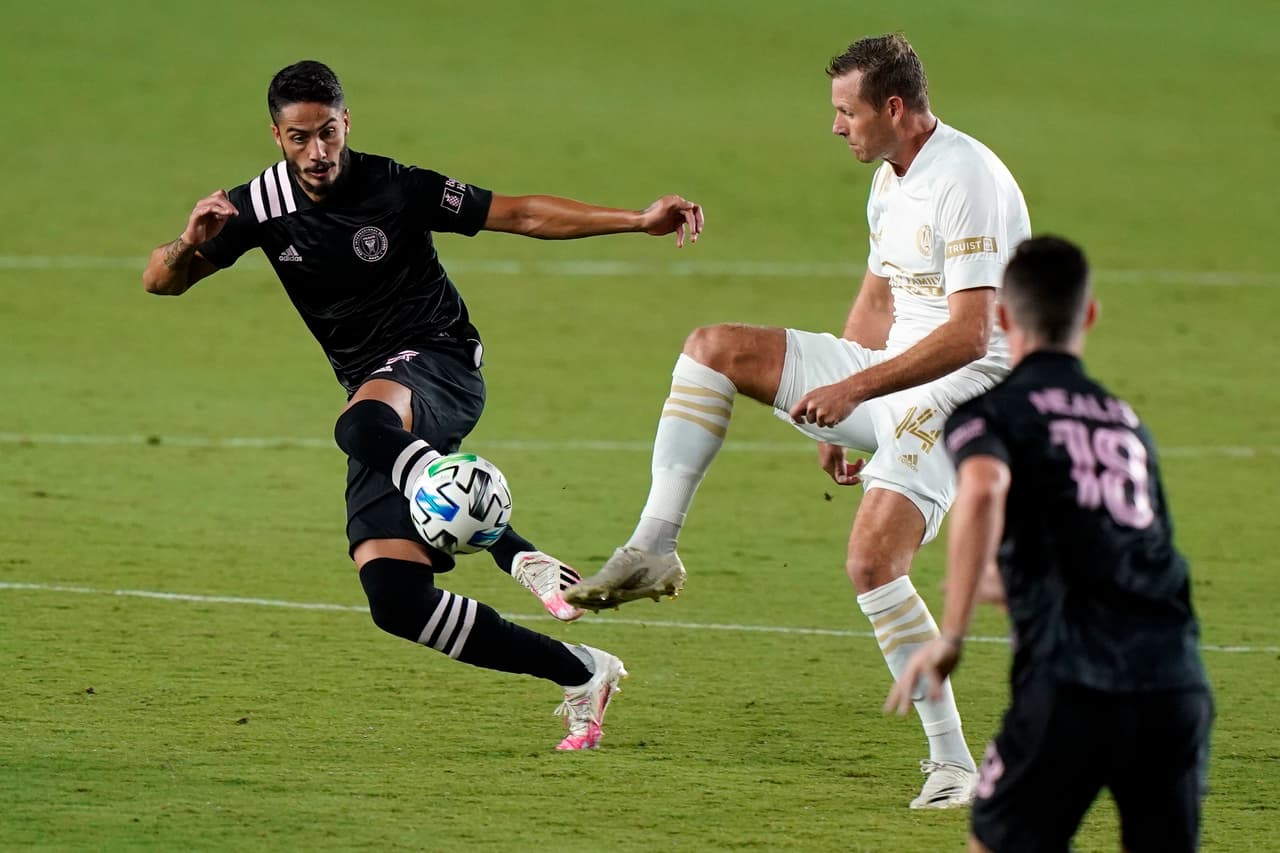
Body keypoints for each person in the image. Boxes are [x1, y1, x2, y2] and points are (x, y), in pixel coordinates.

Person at [141, 60, 704, 750]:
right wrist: (187, 242)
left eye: (327, 133)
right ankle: (582, 671)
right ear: (276, 135)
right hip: (383, 400)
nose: (316, 153)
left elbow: (520, 212)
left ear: (347, 122)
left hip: (440, 360)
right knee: (394, 596)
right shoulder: (254, 206)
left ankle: (510, 549)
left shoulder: (395, 186)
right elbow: (160, 281)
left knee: (360, 423)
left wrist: (636, 219)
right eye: (298, 139)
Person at [565, 32, 1030, 806]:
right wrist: (846, 404)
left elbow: (971, 333)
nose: (836, 126)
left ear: (892, 106)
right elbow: (880, 298)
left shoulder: (968, 176)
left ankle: (952, 763)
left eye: (846, 111)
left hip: (967, 390)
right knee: (713, 349)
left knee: (873, 560)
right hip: (896, 375)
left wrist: (856, 394)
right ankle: (653, 547)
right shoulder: (890, 177)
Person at [885, 236, 1213, 852]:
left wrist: (951, 635)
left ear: (1004, 318)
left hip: (1073, 684)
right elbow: (1129, 549)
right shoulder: (1126, 422)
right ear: (1089, 315)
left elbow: (982, 487)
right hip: (1175, 685)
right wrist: (1012, 578)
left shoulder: (994, 411)